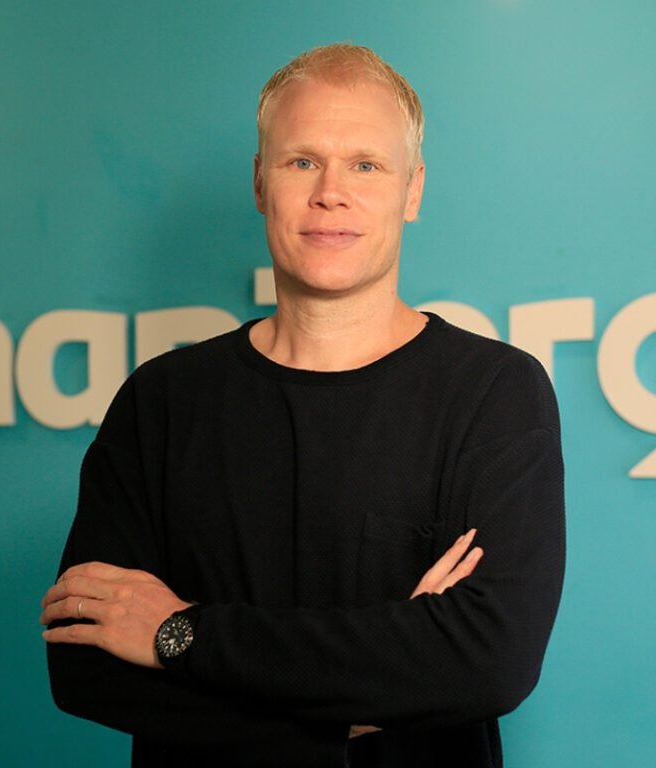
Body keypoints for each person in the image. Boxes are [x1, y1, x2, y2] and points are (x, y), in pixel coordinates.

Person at [40, 43, 565, 768]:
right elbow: (85, 664)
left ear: (413, 190)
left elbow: (488, 661)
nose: (330, 193)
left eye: (366, 165)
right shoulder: (160, 401)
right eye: (302, 161)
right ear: (261, 182)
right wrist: (359, 709)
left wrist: (177, 634)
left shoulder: (493, 393)